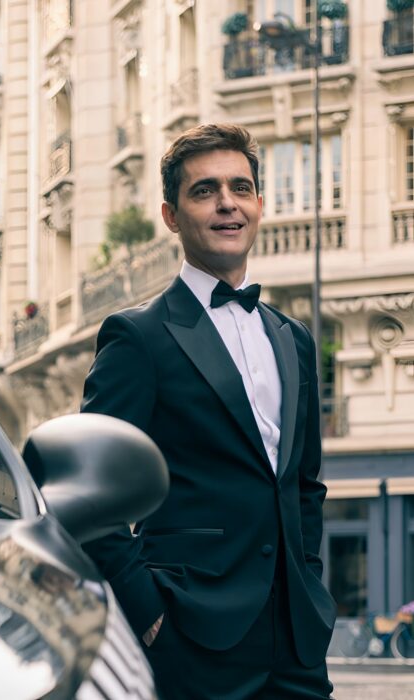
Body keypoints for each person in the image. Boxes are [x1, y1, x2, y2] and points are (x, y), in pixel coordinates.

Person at [80, 123, 336, 699]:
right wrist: (148, 613)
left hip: (296, 641)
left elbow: (303, 487)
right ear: (171, 215)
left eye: (241, 188)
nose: (227, 204)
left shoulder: (293, 338)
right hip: (190, 635)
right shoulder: (136, 337)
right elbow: (90, 494)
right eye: (205, 191)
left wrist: (311, 590)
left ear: (259, 205)